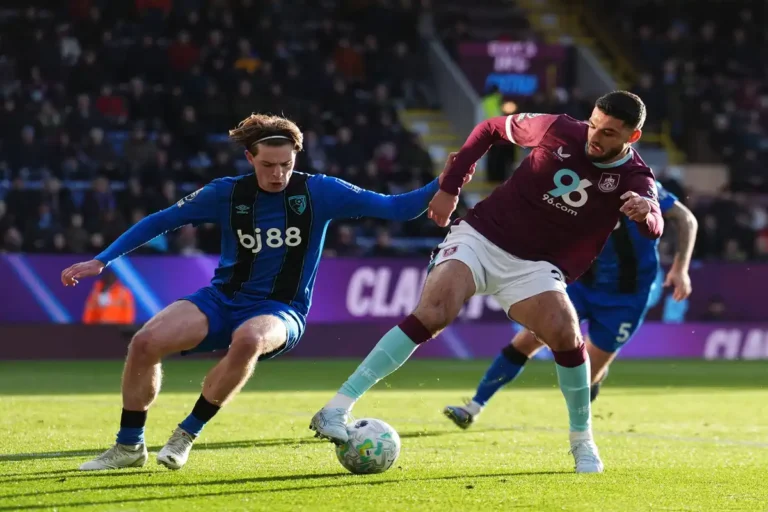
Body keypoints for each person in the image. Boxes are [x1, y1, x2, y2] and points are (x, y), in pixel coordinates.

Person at [61, 113, 471, 472]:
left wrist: (444, 180)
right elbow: (162, 220)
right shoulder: (227, 192)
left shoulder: (320, 191)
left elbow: (396, 208)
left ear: (297, 157)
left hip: (282, 308)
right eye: (268, 165)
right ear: (250, 158)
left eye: (286, 165)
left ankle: (186, 434)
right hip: (221, 298)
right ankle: (129, 445)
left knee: (250, 339)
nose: (278, 174)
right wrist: (104, 260)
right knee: (145, 342)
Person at [309, 91, 665, 474]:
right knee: (434, 312)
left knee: (565, 332)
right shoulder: (557, 128)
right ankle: (336, 408)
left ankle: (582, 442)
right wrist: (450, 187)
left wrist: (646, 213)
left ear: (632, 137)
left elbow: (655, 225)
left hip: (535, 267)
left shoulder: (635, 177)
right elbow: (489, 128)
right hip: (480, 237)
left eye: (609, 133)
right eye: (594, 123)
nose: (595, 136)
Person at [443, 181, 698, 427]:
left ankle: (589, 404)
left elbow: (686, 219)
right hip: (582, 285)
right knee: (526, 341)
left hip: (627, 298)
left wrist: (681, 267)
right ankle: (474, 406)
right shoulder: (577, 185)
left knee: (585, 379)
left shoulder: (643, 187)